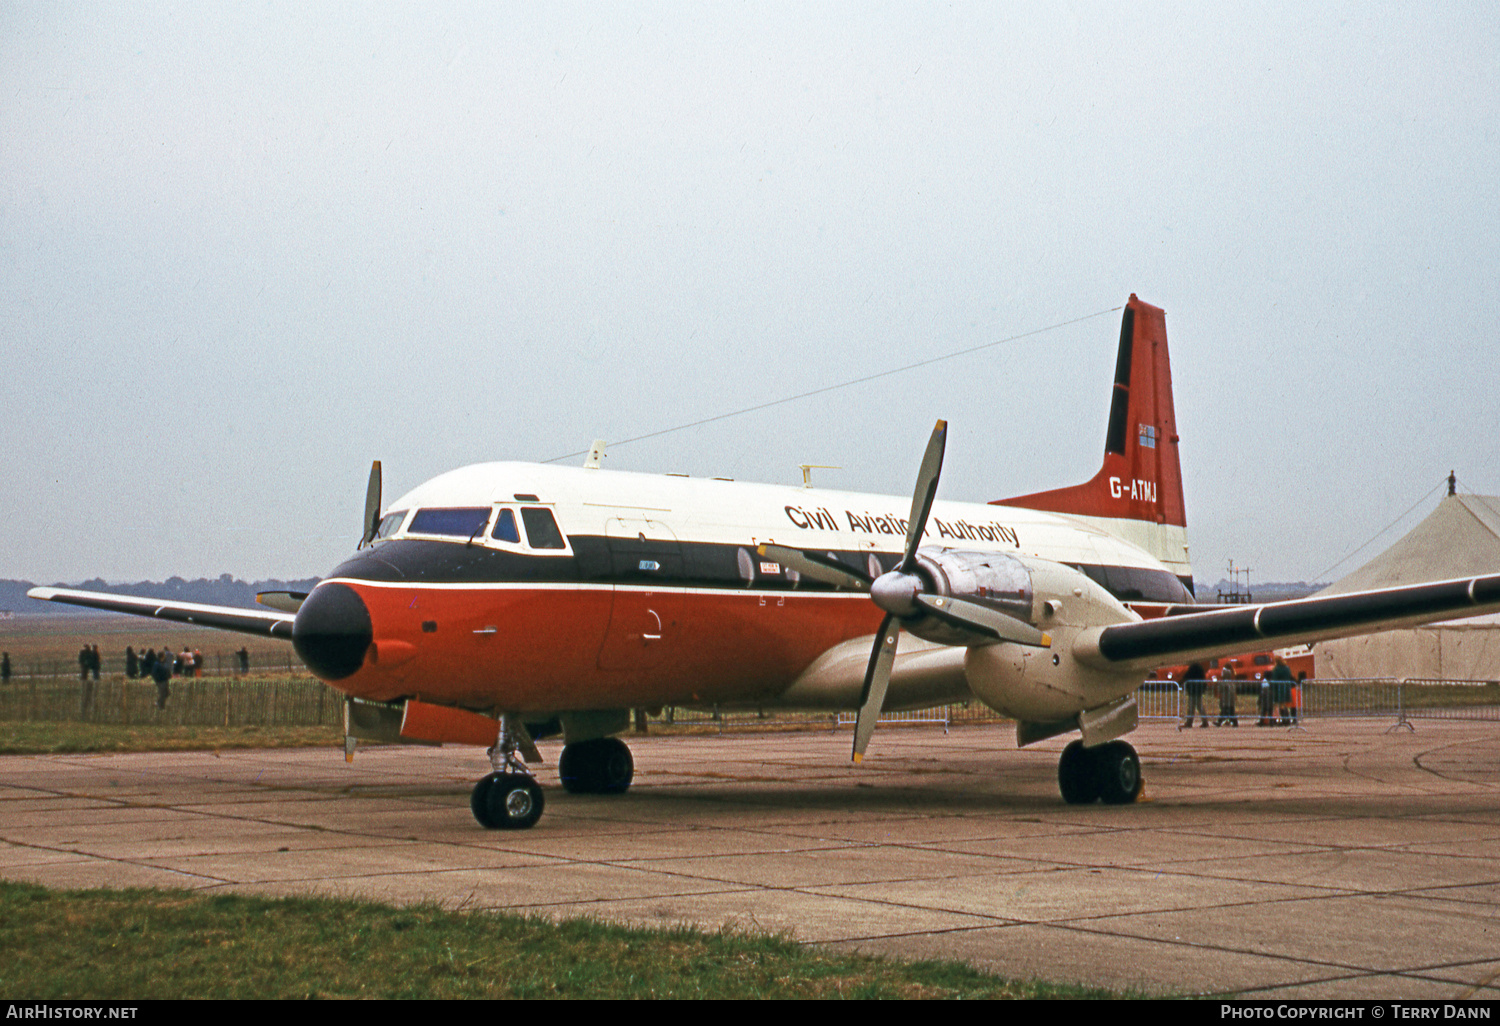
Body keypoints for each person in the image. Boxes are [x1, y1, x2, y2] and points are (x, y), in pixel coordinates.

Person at [1182, 662, 1208, 728]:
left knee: (1191, 707)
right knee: (1200, 707)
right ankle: (1205, 722)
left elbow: (1186, 677)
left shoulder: (1192, 668)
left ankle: (1189, 722)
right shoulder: (1200, 670)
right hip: (1198, 691)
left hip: (1192, 690)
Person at [1270, 658, 1296, 725]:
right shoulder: (1287, 668)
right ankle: (1287, 719)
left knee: (1281, 705)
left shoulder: (1277, 669)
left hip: (1279, 687)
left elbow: (1274, 679)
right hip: (1287, 687)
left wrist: (1272, 687)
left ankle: (1285, 720)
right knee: (1285, 705)